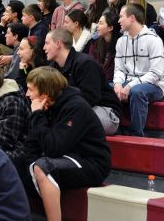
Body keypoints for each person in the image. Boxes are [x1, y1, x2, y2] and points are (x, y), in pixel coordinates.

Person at [20, 66, 111, 221]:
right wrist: (26, 166)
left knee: (43, 167)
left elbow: (54, 148)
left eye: (31, 90)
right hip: (67, 156)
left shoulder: (75, 107)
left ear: (45, 93)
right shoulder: (46, 105)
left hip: (91, 162)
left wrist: (37, 115)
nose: (27, 94)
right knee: (16, 163)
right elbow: (32, 143)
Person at [44, 29, 122, 135]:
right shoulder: (52, 69)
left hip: (105, 112)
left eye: (47, 43)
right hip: (76, 111)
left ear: (58, 44)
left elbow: (91, 98)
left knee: (67, 120)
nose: (44, 48)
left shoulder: (85, 63)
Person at [113, 3, 164, 137]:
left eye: (121, 17)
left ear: (132, 18)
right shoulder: (120, 41)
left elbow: (156, 73)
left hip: (154, 85)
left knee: (137, 91)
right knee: (106, 89)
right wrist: (118, 84)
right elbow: (119, 69)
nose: (118, 20)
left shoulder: (154, 40)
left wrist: (130, 85)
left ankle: (137, 136)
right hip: (129, 82)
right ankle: (113, 129)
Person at [89, 12, 121, 82]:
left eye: (101, 23)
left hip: (114, 82)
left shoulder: (121, 43)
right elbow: (91, 64)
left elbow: (115, 71)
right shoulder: (95, 42)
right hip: (96, 80)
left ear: (110, 28)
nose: (97, 26)